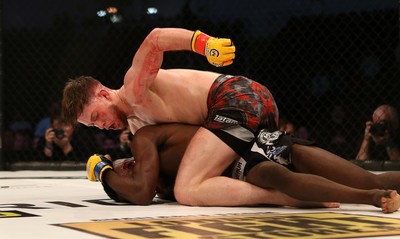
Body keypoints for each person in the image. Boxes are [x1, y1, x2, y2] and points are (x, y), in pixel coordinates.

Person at [62, 27, 280, 206]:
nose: (101, 125)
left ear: (103, 94)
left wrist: (205, 44)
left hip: (238, 97)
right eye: (93, 124)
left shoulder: (134, 90)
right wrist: (110, 171)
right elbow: (151, 183)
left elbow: (155, 39)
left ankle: (281, 199)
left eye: (97, 115)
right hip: (250, 116)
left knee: (187, 188)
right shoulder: (139, 128)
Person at [88, 123, 400, 213]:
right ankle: (373, 198)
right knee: (274, 176)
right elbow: (142, 193)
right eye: (125, 171)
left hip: (253, 141)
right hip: (244, 164)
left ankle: (372, 189)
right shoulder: (171, 189)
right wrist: (106, 172)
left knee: (365, 174)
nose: (130, 166)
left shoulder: (146, 138)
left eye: (126, 164)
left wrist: (103, 168)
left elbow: (140, 189)